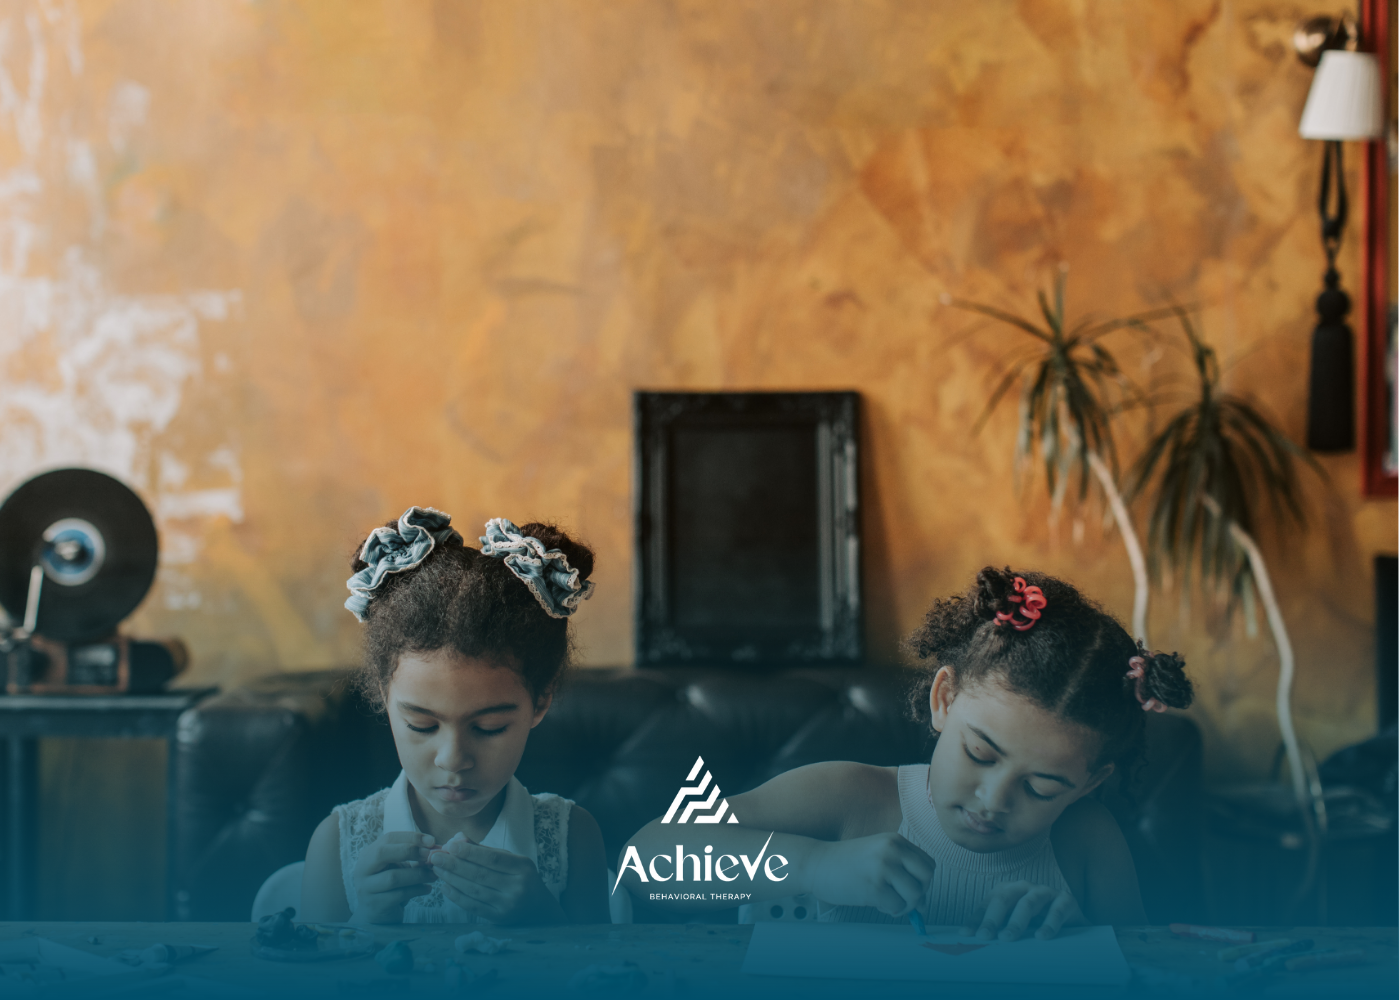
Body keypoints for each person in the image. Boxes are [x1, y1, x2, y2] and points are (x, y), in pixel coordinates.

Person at [618, 567, 1193, 939]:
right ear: (944, 700)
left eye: (1043, 787)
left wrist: (1080, 936)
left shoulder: (1087, 842)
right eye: (980, 754)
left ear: (1090, 784)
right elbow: (646, 863)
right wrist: (814, 866)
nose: (993, 800)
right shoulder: (849, 797)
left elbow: (1142, 968)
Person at [300, 507, 609, 925]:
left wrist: (545, 921)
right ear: (382, 694)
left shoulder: (572, 836)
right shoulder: (337, 841)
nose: (453, 759)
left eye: (488, 728)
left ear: (540, 702)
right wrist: (365, 926)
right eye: (422, 726)